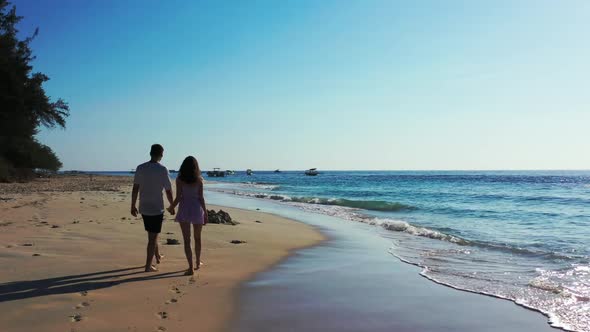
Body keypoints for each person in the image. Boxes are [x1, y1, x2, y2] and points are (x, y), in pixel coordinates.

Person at [131, 144, 174, 272]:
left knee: (153, 233)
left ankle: (157, 255)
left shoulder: (140, 168)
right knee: (152, 237)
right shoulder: (162, 169)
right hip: (156, 208)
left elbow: (135, 188)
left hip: (144, 206)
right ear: (161, 154)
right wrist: (172, 205)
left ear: (150, 153)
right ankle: (148, 266)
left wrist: (132, 205)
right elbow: (168, 190)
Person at [167, 156, 208, 276]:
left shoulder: (179, 179)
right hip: (196, 209)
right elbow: (201, 198)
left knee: (187, 240)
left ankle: (190, 267)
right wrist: (205, 212)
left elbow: (179, 197)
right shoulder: (199, 180)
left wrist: (171, 207)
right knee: (197, 238)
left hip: (184, 209)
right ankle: (197, 262)